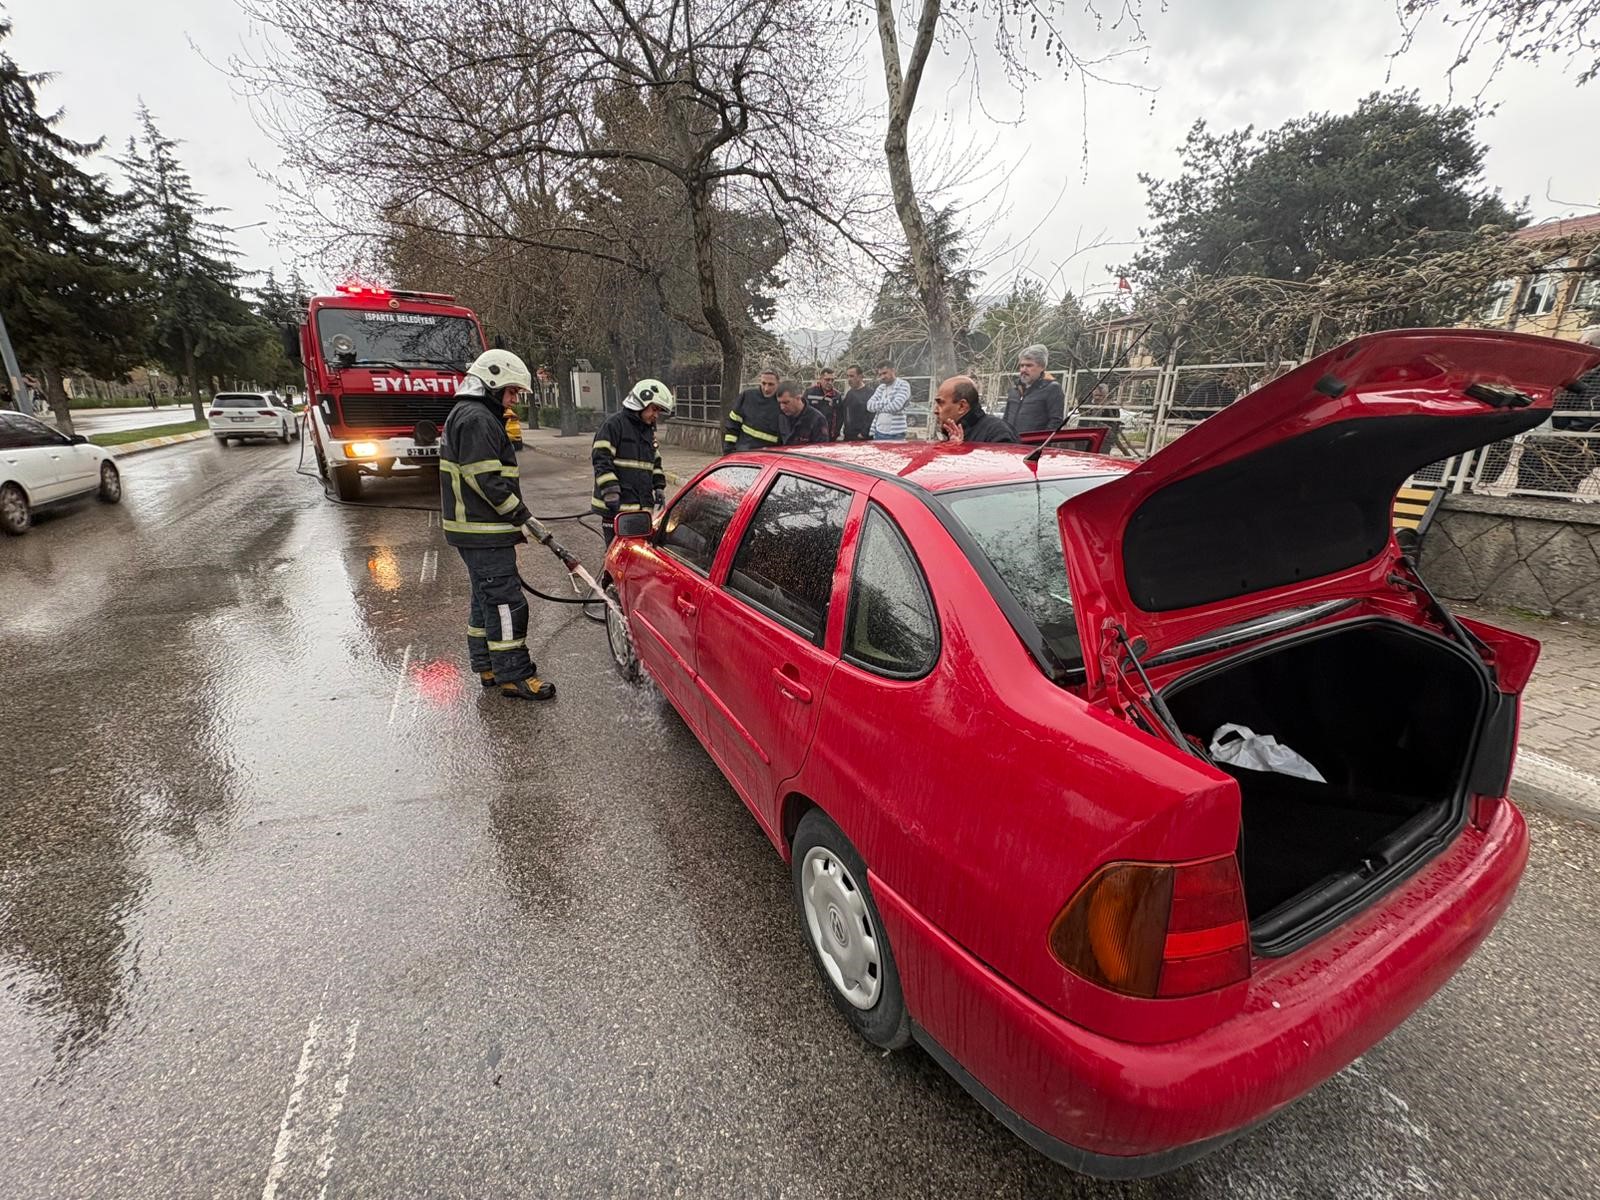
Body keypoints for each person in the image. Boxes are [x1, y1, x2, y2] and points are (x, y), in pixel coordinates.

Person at [439, 349, 555, 702]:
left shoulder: (472, 415)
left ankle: (487, 665)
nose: (513, 400)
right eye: (511, 391)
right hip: (483, 532)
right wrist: (522, 517)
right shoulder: (476, 419)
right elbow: (487, 481)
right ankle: (514, 676)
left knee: (485, 601)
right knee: (507, 604)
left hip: (476, 532)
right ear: (490, 383)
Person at [593, 378, 672, 544]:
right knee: (617, 557)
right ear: (640, 403)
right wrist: (610, 491)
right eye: (654, 409)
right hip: (616, 510)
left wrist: (658, 487)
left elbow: (655, 461)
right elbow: (601, 459)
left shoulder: (647, 431)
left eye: (659, 411)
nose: (656, 415)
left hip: (640, 510)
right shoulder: (614, 425)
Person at [934, 376, 1018, 445]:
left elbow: (1000, 465)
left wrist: (961, 450)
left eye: (940, 403)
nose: (935, 410)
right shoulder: (955, 433)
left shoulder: (998, 433)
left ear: (962, 406)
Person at [1002, 344, 1065, 435]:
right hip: (1010, 444)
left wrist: (1039, 443)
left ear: (1042, 367)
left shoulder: (1052, 388)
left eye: (1029, 365)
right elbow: (1006, 418)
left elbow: (1055, 422)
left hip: (1033, 446)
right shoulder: (1015, 389)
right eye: (1022, 365)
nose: (1024, 369)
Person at [723, 368, 782, 453]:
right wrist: (728, 450)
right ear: (759, 381)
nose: (766, 388)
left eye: (771, 384)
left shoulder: (783, 403)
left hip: (769, 456)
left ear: (778, 384)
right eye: (763, 383)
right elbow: (733, 425)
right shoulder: (747, 396)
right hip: (743, 453)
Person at [866, 362, 910, 440]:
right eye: (880, 374)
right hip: (878, 432)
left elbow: (896, 406)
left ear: (893, 370)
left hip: (896, 434)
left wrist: (878, 406)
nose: (882, 377)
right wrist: (888, 401)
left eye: (885, 373)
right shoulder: (881, 387)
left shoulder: (903, 385)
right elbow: (869, 406)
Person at [778, 380, 829, 444]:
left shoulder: (817, 420)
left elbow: (821, 449)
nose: (782, 407)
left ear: (798, 398)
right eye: (780, 403)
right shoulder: (781, 417)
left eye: (786, 403)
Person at [803, 368, 842, 441]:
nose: (830, 382)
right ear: (820, 379)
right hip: (811, 435)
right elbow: (802, 412)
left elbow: (840, 417)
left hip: (829, 436)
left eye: (832, 380)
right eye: (827, 379)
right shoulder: (809, 392)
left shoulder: (837, 395)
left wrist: (836, 433)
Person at [840, 364, 874, 441]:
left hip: (862, 438)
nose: (849, 379)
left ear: (860, 377)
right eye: (847, 376)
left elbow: (872, 416)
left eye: (852, 376)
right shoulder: (849, 393)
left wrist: (863, 433)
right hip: (848, 436)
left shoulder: (870, 394)